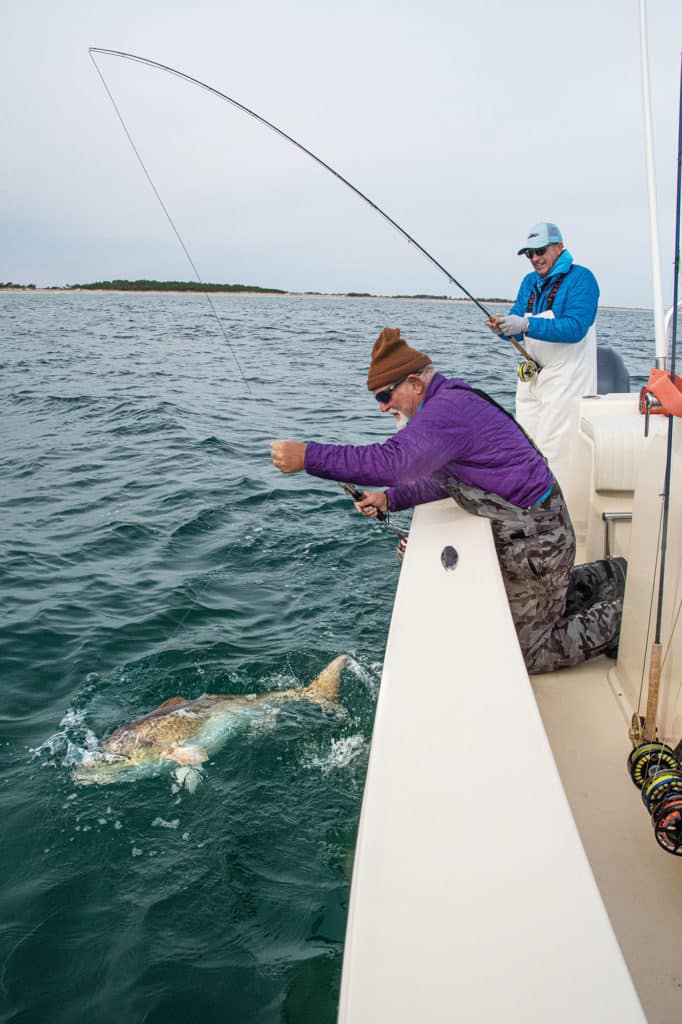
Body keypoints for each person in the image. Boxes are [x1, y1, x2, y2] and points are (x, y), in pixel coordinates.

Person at [270, 327, 624, 676]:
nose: (383, 408)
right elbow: (445, 481)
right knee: (541, 597)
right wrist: (390, 500)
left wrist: (309, 457)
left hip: (537, 541)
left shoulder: (446, 411)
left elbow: (393, 462)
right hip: (538, 533)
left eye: (384, 396)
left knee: (527, 652)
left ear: (413, 383)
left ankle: (626, 619)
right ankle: (618, 575)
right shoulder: (446, 403)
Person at [486, 222, 599, 489]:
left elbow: (575, 328)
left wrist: (525, 325)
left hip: (567, 377)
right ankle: (529, 503)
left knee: (554, 449)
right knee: (525, 444)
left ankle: (555, 510)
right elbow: (517, 325)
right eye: (530, 254)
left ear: (559, 248)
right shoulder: (529, 282)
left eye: (540, 251)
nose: (535, 258)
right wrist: (503, 328)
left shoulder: (581, 279)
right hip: (533, 376)